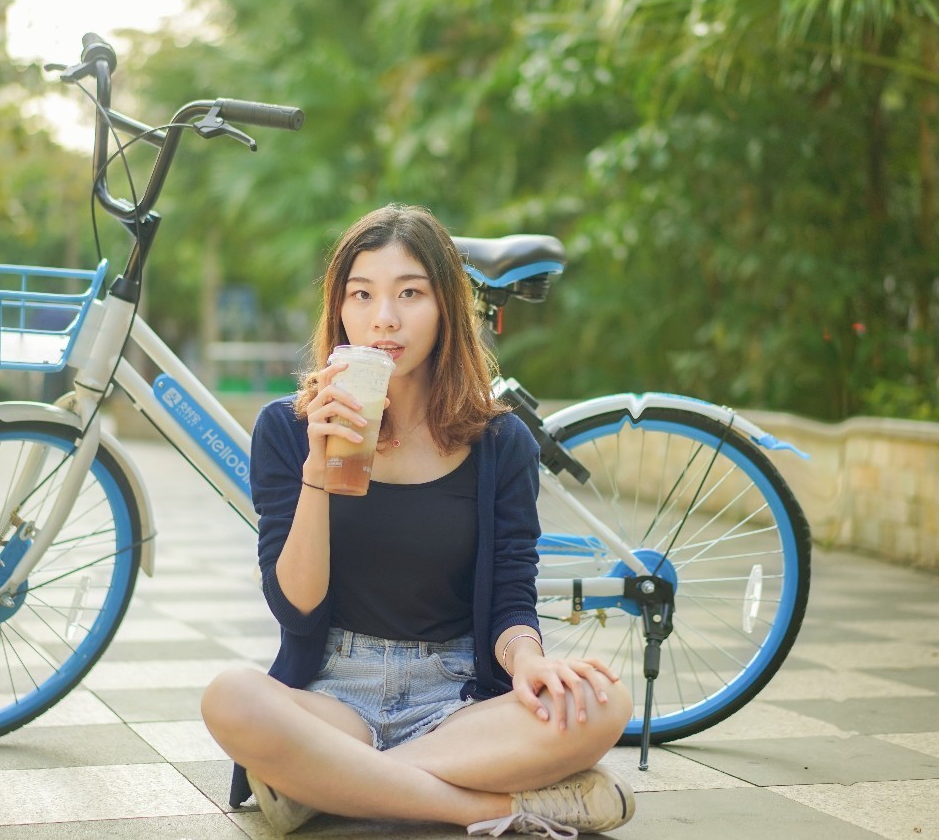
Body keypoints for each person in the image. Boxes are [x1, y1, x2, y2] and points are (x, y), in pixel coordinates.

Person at [201, 204, 635, 837]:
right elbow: (294, 610)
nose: (385, 318)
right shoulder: (288, 430)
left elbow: (512, 589)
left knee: (606, 704)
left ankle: (327, 786)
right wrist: (317, 472)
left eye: (410, 293)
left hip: (455, 700)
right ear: (339, 311)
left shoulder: (500, 442)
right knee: (230, 697)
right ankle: (495, 809)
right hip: (332, 692)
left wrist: (529, 661)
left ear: (445, 311)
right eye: (362, 294)